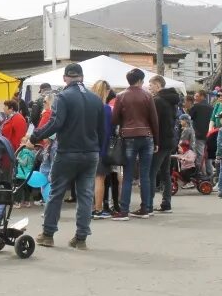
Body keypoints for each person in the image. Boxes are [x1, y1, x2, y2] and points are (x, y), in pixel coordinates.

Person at [31, 63, 106, 250]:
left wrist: (35, 135)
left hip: (67, 153)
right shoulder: (95, 99)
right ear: (81, 77)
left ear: (65, 78)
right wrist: (98, 150)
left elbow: (56, 123)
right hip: (91, 153)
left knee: (56, 193)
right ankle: (81, 238)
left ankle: (48, 234)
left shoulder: (63, 97)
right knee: (85, 195)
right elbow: (103, 130)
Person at [111, 68, 159, 220]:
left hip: (129, 137)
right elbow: (154, 119)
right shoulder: (148, 96)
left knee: (128, 175)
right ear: (140, 80)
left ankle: (124, 210)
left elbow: (115, 119)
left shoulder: (121, 96)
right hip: (147, 136)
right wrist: (156, 140)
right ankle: (146, 207)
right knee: (145, 174)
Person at [149, 75, 180, 214]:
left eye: (151, 85)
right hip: (170, 140)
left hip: (160, 141)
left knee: (152, 172)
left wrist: (155, 141)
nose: (149, 88)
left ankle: (148, 204)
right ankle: (166, 203)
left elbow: (154, 123)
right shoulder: (172, 100)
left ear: (157, 85)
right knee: (165, 173)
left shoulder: (157, 101)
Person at [90, 80, 114, 220]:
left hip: (88, 147)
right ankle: (98, 209)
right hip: (100, 148)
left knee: (90, 179)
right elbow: (106, 132)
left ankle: (92, 207)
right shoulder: (105, 109)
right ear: (106, 91)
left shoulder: (88, 108)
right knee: (100, 178)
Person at [189, 90, 213, 180]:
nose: (195, 98)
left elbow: (189, 117)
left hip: (199, 134)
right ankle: (210, 175)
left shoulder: (196, 106)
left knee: (200, 155)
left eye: (197, 96)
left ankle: (201, 174)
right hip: (209, 134)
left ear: (202, 96)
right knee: (208, 155)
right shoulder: (211, 107)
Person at [15, 136, 38, 208]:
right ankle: (26, 202)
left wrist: (18, 159)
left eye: (22, 142)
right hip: (27, 174)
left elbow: (24, 163)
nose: (20, 143)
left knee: (19, 188)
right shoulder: (31, 153)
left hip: (22, 174)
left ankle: (18, 203)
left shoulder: (25, 153)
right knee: (26, 189)